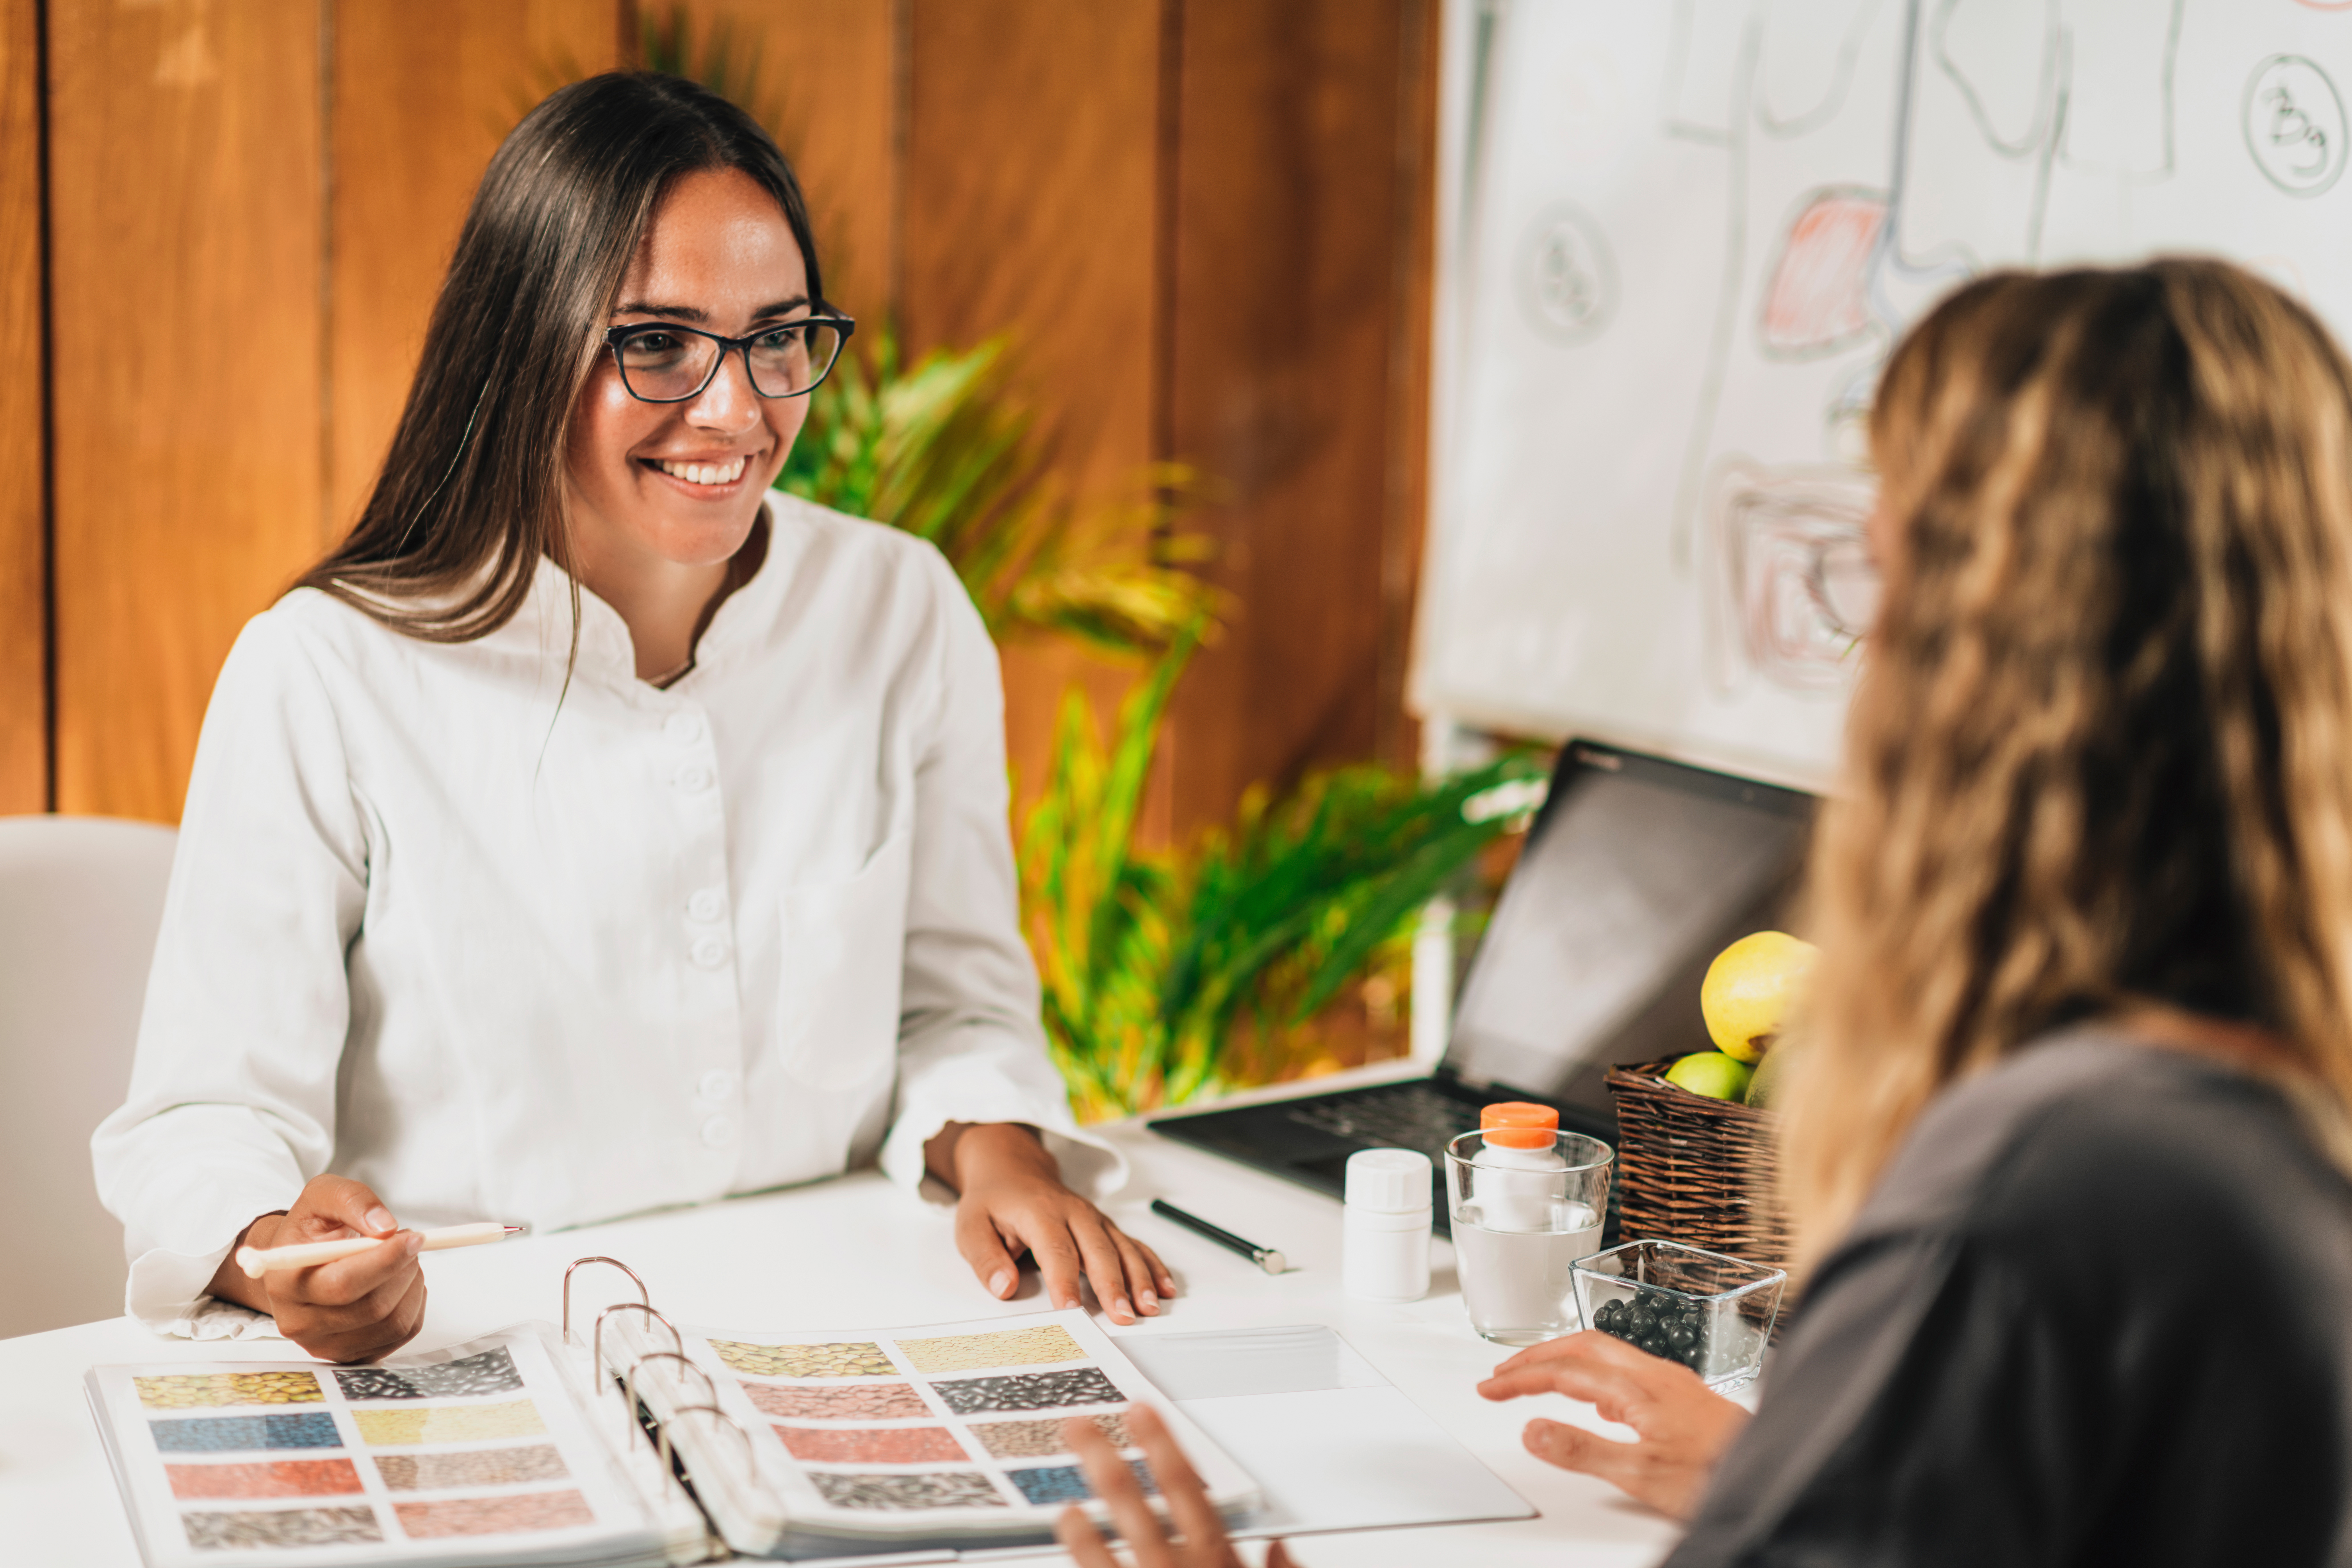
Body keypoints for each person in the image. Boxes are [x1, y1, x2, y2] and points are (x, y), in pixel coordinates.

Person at [1060, 260, 2352, 1565]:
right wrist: (1818, 1473)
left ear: (1993, 664)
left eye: (1883, 579)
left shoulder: (2024, 1196)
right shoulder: (2272, 1111)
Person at [92, 72, 1169, 1364]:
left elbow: (955, 1005)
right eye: (655, 341)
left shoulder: (900, 610)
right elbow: (203, 1118)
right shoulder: (328, 671)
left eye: (778, 336)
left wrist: (1001, 1156)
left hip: (834, 1326)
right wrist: (278, 1253)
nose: (737, 408)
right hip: (487, 1355)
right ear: (525, 342)